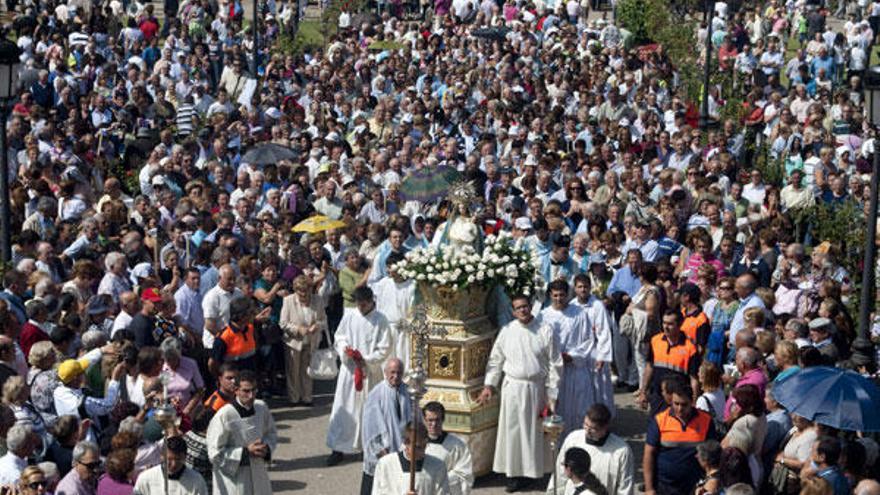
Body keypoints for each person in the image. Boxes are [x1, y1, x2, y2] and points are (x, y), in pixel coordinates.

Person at [478, 293, 561, 493]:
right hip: (512, 388)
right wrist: (489, 385)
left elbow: (555, 364)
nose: (523, 310)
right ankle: (513, 475)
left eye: (525, 306)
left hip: (536, 388)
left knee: (533, 432)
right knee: (513, 432)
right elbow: (496, 360)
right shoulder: (507, 331)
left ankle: (532, 473)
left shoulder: (544, 330)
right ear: (513, 312)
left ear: (531, 306)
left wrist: (552, 395)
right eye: (518, 308)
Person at [326, 286, 391, 466]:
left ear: (371, 301)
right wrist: (345, 350)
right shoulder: (350, 316)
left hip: (369, 372)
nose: (361, 308)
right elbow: (339, 336)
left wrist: (366, 359)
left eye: (364, 304)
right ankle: (338, 447)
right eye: (358, 304)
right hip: (349, 371)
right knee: (344, 408)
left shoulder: (381, 320)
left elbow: (384, 347)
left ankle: (368, 447)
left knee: (368, 410)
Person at [206, 370, 278, 495]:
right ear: (236, 390)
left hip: (258, 471)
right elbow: (214, 452)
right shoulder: (225, 415)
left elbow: (271, 433)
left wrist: (266, 448)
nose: (251, 395)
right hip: (234, 479)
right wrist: (245, 452)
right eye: (246, 391)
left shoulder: (261, 407)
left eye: (254, 390)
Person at [643, 379, 718, 495]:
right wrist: (649, 489)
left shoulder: (706, 421)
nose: (679, 409)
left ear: (692, 402)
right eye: (676, 404)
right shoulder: (660, 421)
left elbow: (713, 455)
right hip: (664, 487)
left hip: (695, 487)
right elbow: (649, 454)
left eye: (684, 404)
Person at [540, 279, 594, 436]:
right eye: (555, 295)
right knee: (556, 407)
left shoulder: (579, 313)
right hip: (554, 372)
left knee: (579, 408)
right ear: (550, 295)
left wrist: (572, 356)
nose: (558, 299)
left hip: (574, 369)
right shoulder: (543, 316)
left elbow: (588, 339)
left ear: (568, 295)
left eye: (562, 295)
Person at [547, 404, 635, 495]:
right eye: (585, 424)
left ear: (605, 427)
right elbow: (560, 474)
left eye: (593, 429)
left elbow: (625, 487)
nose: (587, 431)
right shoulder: (573, 439)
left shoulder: (621, 451)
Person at [359, 358, 411, 495]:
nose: (396, 376)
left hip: (403, 448)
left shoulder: (407, 392)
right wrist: (382, 452)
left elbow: (413, 418)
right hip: (383, 451)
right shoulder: (376, 394)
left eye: (399, 373)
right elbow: (371, 428)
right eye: (392, 372)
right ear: (385, 372)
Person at [639, 310, 701, 413]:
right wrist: (643, 392)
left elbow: (694, 379)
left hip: (678, 400)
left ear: (680, 324)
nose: (666, 327)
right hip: (658, 396)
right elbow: (649, 367)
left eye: (670, 324)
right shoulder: (655, 341)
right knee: (655, 425)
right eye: (664, 323)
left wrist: (694, 402)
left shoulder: (690, 348)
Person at [279, 274, 327, 406]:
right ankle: (294, 398)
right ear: (295, 290)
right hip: (293, 342)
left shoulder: (318, 300)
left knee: (307, 371)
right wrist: (298, 329)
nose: (303, 294)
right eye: (300, 291)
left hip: (311, 341)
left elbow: (323, 320)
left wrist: (317, 326)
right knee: (293, 372)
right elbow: (283, 323)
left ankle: (307, 397)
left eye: (306, 290)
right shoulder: (288, 301)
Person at [571, 274, 615, 416]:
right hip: (579, 352)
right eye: (579, 287)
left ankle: (602, 418)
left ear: (590, 288)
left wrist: (602, 356)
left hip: (595, 351)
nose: (583, 290)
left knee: (599, 387)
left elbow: (603, 331)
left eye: (585, 286)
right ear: (575, 288)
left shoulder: (597, 305)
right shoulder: (572, 306)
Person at [372, 421, 451, 494]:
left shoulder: (437, 466)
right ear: (406, 443)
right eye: (418, 447)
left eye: (424, 446)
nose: (422, 451)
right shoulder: (386, 464)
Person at [371, 252, 416, 370]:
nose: (388, 270)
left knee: (404, 362)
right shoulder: (383, 284)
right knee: (387, 362)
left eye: (391, 267)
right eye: (387, 266)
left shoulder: (412, 286)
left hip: (404, 330)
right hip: (386, 328)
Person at [424, 401, 474, 495]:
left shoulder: (457, 445)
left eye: (437, 420)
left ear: (443, 419)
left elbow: (464, 474)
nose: (434, 424)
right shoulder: (415, 444)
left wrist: (439, 480)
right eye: (430, 420)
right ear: (424, 420)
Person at [133, 436, 208, 495]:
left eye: (178, 459)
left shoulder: (196, 480)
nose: (174, 464)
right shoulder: (146, 478)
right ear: (161, 456)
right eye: (169, 459)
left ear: (185, 457)